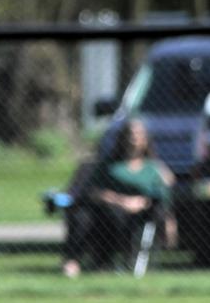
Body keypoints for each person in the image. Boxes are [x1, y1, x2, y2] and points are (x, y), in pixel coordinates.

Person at [61, 119, 175, 277]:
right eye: (130, 134)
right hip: (109, 208)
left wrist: (144, 203)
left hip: (143, 210)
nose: (133, 138)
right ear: (122, 138)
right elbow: (93, 191)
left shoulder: (153, 167)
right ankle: (75, 261)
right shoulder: (109, 165)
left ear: (146, 139)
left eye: (138, 134)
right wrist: (122, 201)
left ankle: (127, 260)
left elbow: (162, 194)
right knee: (84, 216)